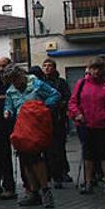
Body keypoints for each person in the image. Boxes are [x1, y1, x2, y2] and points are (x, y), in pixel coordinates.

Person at [4, 66, 61, 207]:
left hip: (36, 125)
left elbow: (55, 95)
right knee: (25, 161)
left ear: (21, 75)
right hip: (21, 127)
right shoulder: (11, 91)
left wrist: (42, 107)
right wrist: (7, 112)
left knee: (36, 158)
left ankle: (46, 191)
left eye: (16, 79)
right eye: (12, 81)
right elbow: (9, 106)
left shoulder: (36, 84)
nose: (15, 83)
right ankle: (33, 192)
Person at [69, 58, 105, 195]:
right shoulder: (82, 83)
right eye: (93, 68)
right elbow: (73, 102)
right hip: (85, 123)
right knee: (88, 153)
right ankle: (88, 181)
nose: (96, 71)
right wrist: (77, 114)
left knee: (104, 153)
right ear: (89, 69)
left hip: (102, 125)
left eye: (99, 68)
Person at [41, 58, 72, 188]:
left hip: (58, 118)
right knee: (47, 148)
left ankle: (62, 171)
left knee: (59, 147)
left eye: (49, 66)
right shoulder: (41, 82)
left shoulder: (61, 82)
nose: (47, 68)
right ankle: (49, 172)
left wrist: (61, 105)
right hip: (45, 118)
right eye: (45, 66)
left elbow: (67, 97)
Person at [0, 56, 17, 200]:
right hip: (0, 124)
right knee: (2, 156)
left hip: (17, 121)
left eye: (3, 66)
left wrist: (4, 98)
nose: (1, 69)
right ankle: (7, 186)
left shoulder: (16, 81)